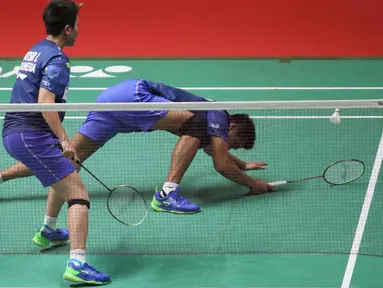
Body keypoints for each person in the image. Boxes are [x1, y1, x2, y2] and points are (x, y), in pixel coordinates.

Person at [1, 79, 273, 215]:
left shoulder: (215, 123)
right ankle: (168, 193)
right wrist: (251, 183)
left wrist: (242, 163)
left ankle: (1, 176)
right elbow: (220, 162)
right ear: (233, 127)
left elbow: (219, 153)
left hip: (112, 98)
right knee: (196, 124)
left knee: (65, 158)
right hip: (135, 97)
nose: (224, 146)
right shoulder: (216, 114)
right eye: (230, 142)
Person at [1, 0, 110, 284]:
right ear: (67, 29)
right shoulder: (58, 60)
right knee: (79, 194)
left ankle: (49, 230)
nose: (78, 32)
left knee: (65, 175)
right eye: (76, 26)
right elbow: (45, 103)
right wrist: (64, 140)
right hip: (30, 134)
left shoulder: (37, 48)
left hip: (17, 131)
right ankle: (77, 264)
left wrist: (70, 10)